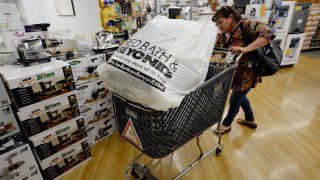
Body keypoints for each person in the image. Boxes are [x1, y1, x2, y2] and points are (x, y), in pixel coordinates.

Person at [212, 6, 275, 134]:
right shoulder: (223, 35)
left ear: (230, 17)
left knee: (234, 99)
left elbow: (269, 33)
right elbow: (215, 49)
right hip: (233, 74)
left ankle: (226, 124)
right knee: (240, 96)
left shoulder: (247, 24)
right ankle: (250, 119)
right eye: (216, 23)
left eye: (220, 22)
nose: (219, 25)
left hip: (248, 72)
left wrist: (245, 49)